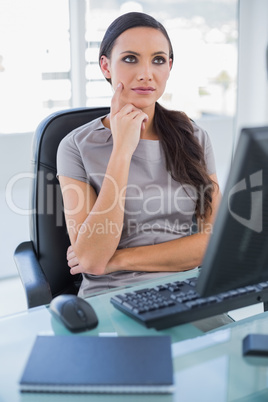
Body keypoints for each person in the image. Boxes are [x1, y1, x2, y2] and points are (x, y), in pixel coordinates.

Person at [57, 11, 221, 299]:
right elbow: (92, 259)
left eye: (158, 60)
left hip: (186, 290)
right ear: (106, 66)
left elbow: (215, 242)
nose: (146, 73)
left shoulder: (194, 137)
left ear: (169, 67)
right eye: (130, 59)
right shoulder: (75, 146)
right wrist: (121, 149)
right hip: (110, 296)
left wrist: (119, 260)